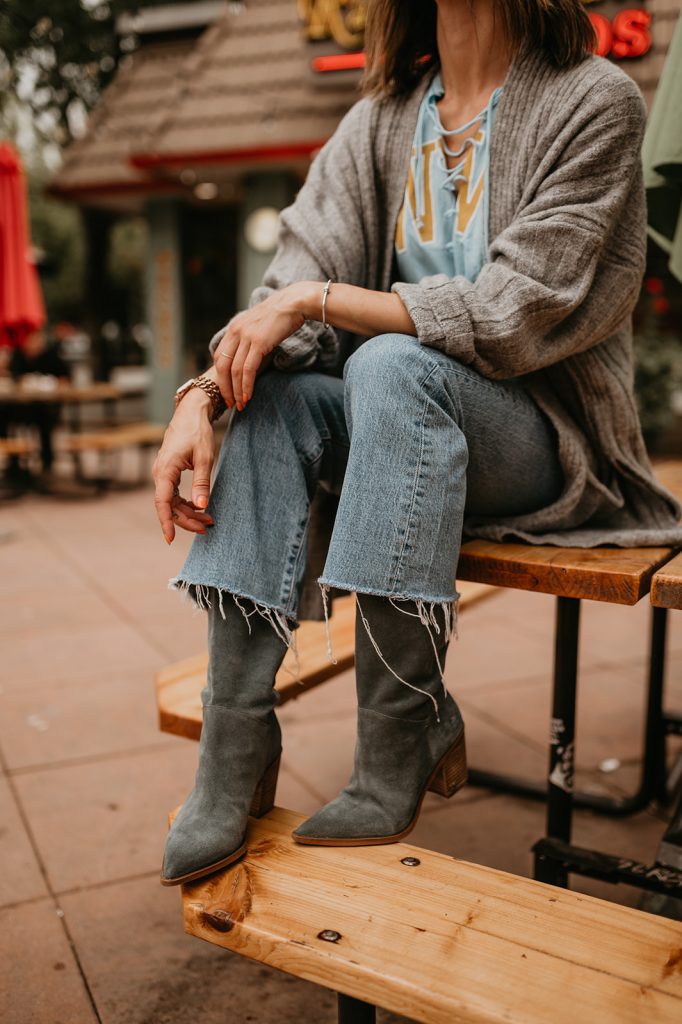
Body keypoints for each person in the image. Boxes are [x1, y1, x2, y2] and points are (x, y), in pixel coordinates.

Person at [152, 0, 682, 886]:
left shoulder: (594, 99)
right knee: (271, 389)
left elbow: (515, 314)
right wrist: (204, 395)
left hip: (542, 441)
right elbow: (285, 287)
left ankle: (396, 732)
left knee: (392, 363)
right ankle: (233, 741)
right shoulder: (382, 120)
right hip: (398, 430)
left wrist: (318, 300)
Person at [0, 328, 69, 484]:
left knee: (44, 417)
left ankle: (47, 464)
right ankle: (13, 463)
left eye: (35, 339)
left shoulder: (51, 356)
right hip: (21, 407)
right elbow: (11, 378)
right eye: (28, 340)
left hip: (45, 406)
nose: (32, 344)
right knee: (2, 415)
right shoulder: (18, 356)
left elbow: (65, 380)